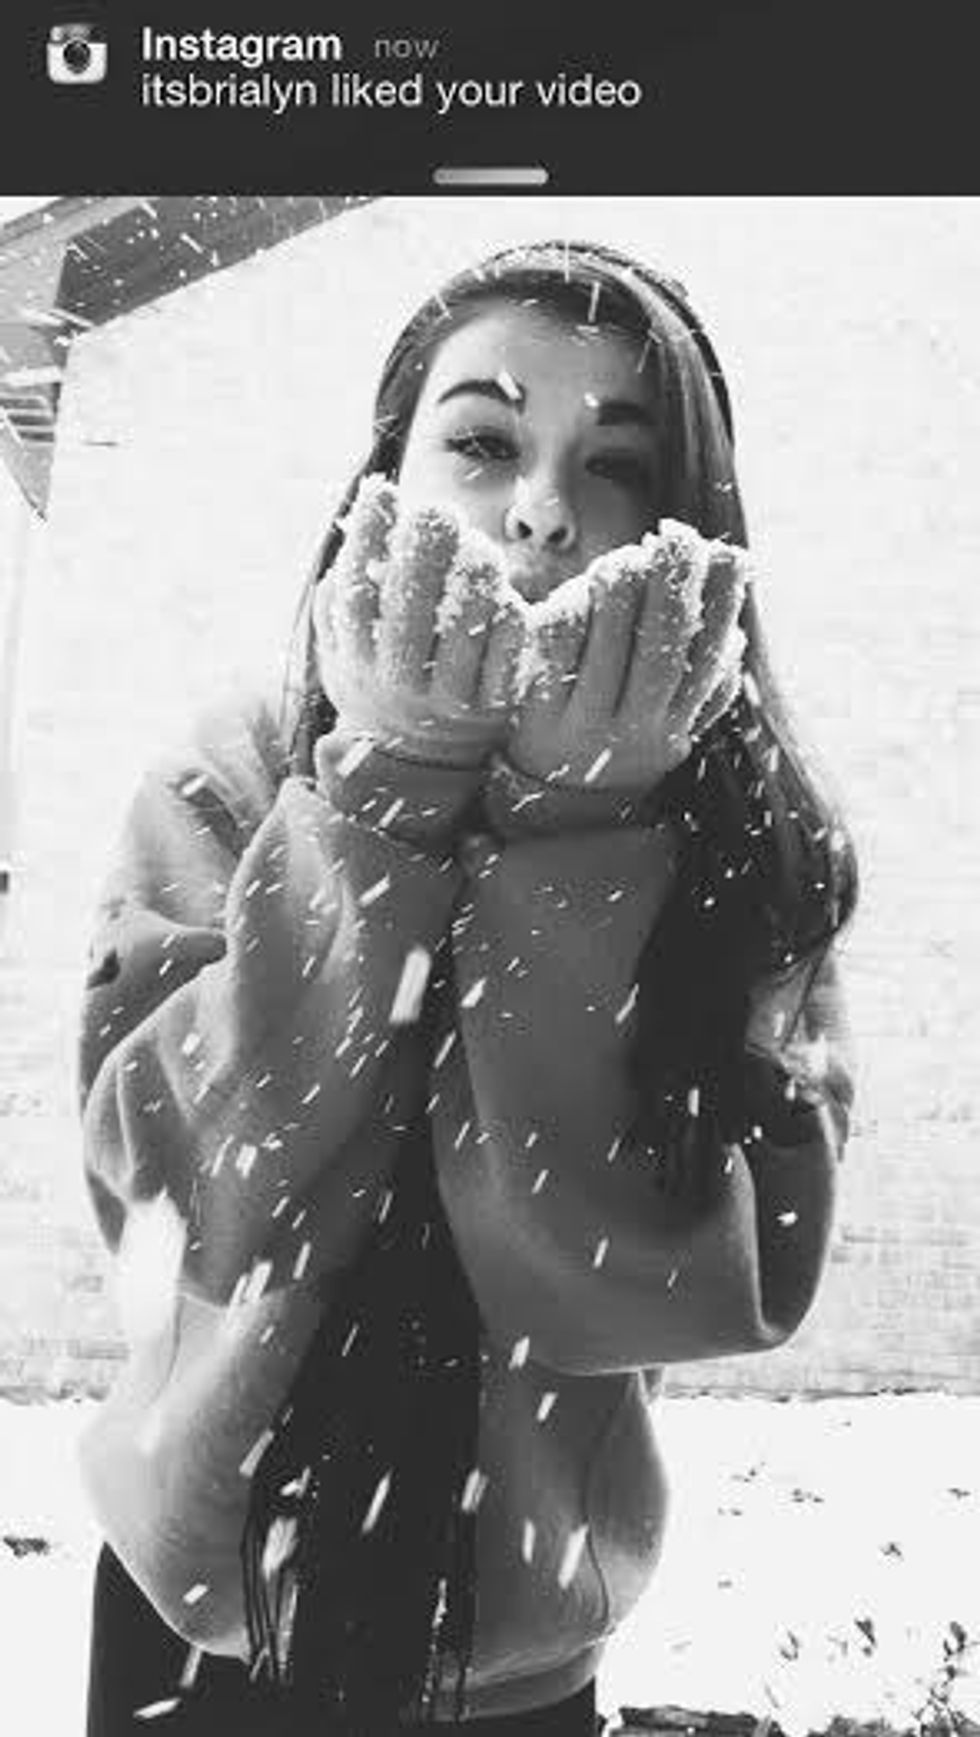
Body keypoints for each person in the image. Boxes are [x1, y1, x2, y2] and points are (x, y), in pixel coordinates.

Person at [78, 237, 857, 1737]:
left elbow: (692, 1276)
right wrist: (383, 799)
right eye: (485, 441)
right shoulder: (234, 776)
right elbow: (180, 1193)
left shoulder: (742, 841)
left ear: (689, 522)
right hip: (199, 1607)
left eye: (616, 464)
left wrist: (580, 832)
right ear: (386, 482)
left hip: (515, 1656)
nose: (545, 508)